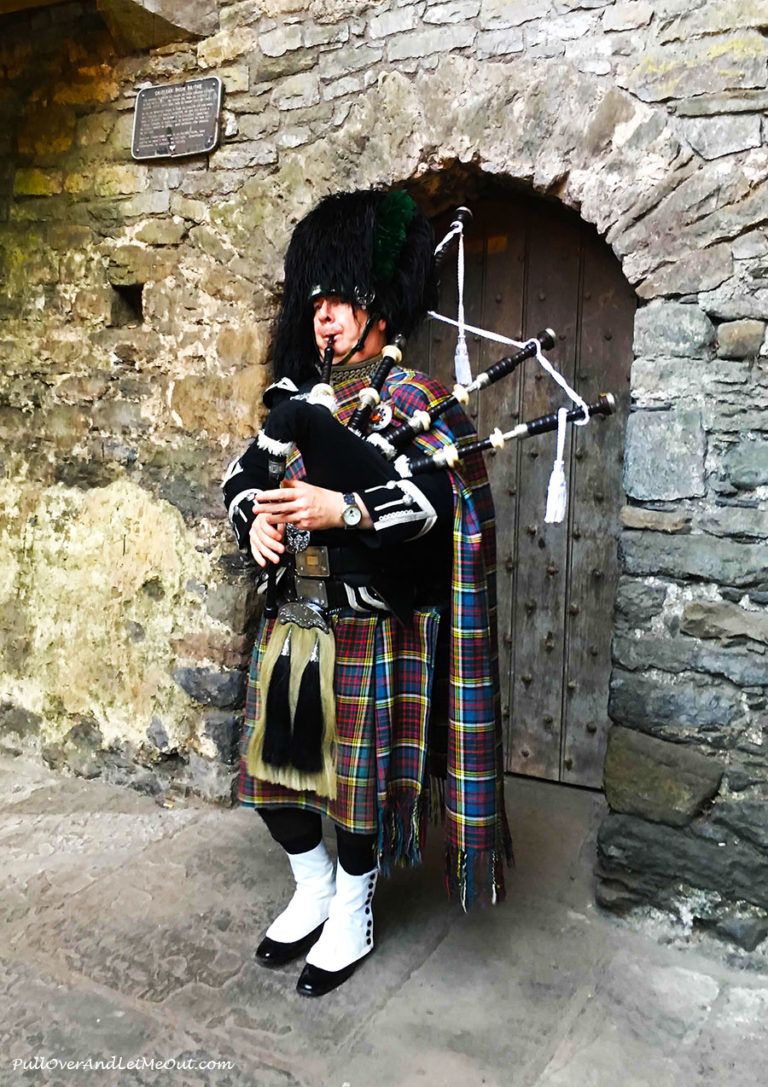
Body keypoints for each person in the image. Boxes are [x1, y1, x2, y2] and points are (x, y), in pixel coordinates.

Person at [223, 189, 511, 998]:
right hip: (295, 622)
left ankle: (353, 904)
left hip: (371, 629)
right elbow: (242, 475)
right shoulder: (295, 400)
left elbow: (430, 503)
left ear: (379, 308)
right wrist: (255, 521)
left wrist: (339, 506)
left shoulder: (421, 400)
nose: (325, 318)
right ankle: (311, 886)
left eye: (342, 301)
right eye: (318, 302)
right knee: (272, 783)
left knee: (356, 793)